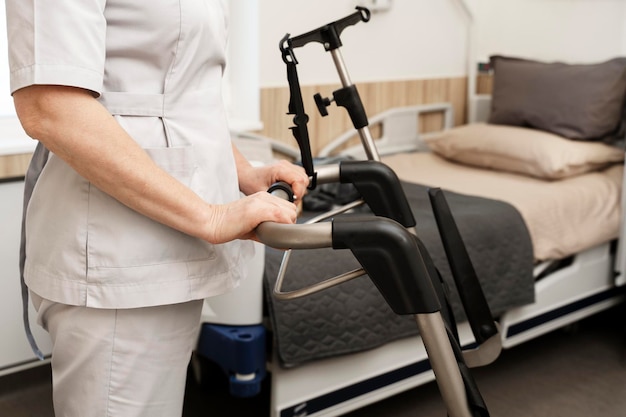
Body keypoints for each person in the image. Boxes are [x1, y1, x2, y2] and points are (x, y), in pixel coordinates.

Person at [5, 1, 309, 416]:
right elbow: (51, 106)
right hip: (120, 252)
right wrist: (213, 216)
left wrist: (243, 171)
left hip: (167, 240)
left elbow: (180, 98)